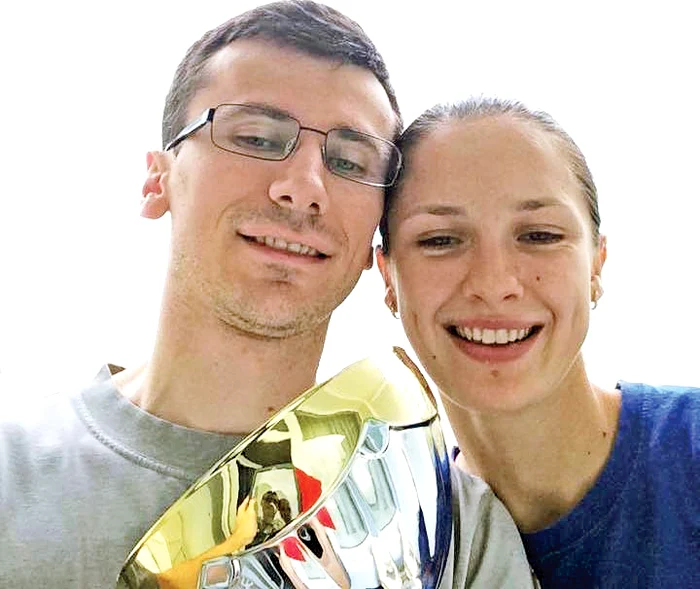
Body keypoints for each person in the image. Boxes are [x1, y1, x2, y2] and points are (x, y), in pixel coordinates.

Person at [0, 4, 535, 588]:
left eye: (349, 162)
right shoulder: (11, 473)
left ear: (373, 237)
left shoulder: (451, 528)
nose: (304, 188)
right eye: (256, 137)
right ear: (158, 179)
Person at [376, 97, 700, 587]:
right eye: (439, 240)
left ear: (596, 265)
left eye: (540, 235)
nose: (493, 283)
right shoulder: (398, 549)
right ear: (388, 278)